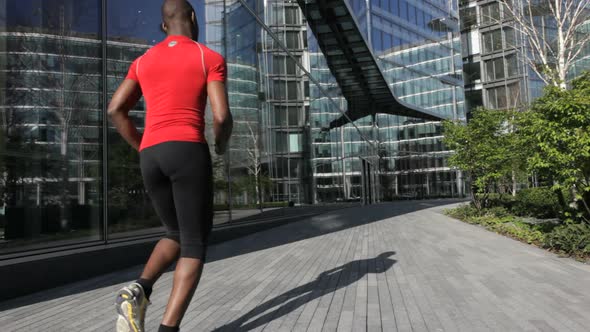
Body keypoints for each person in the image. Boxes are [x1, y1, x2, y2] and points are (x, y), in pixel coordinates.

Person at [107, 0, 232, 331]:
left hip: (151, 153)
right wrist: (220, 143)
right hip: (187, 149)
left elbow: (115, 109)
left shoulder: (143, 60)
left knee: (174, 232)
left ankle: (138, 289)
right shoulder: (209, 57)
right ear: (192, 17)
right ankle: (168, 329)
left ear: (163, 25)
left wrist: (142, 146)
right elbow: (220, 116)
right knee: (194, 243)